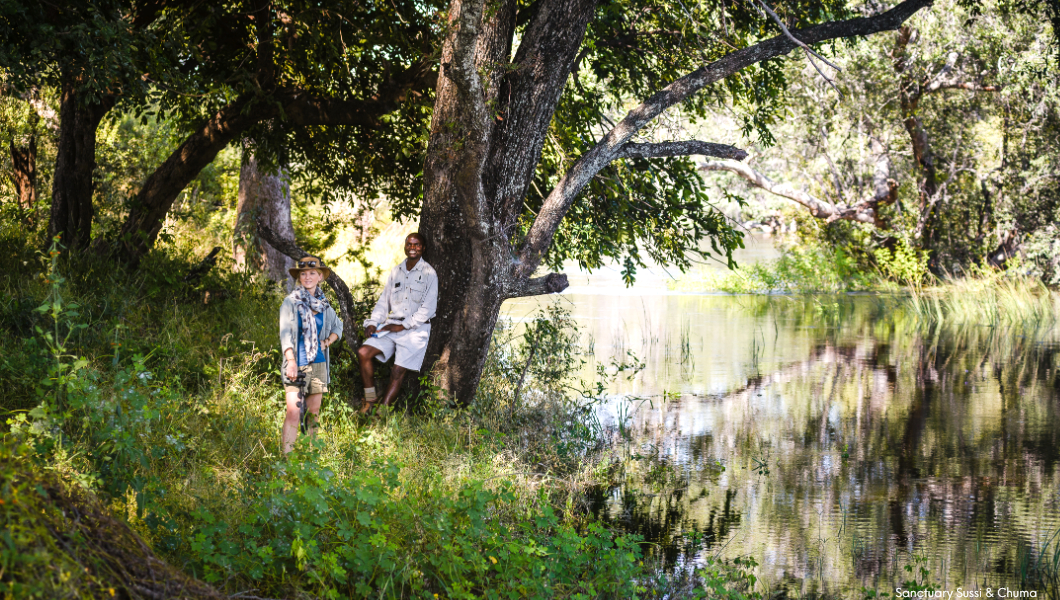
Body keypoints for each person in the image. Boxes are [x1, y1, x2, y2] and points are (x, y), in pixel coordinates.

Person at [357, 233, 437, 413]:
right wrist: (371, 323)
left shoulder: (429, 273)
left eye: (417, 245)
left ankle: (381, 414)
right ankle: (370, 400)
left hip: (415, 329)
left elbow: (429, 308)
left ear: (423, 248)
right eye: (409, 244)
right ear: (405, 246)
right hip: (390, 327)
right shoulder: (396, 271)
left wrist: (404, 325)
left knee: (397, 371)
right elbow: (383, 302)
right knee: (363, 352)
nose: (413, 248)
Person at [278, 256, 343, 453]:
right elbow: (285, 333)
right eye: (303, 273)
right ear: (299, 277)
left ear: (320, 276)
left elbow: (338, 326)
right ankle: (287, 461)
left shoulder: (323, 304)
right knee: (294, 413)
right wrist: (290, 361)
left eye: (312, 273)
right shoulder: (290, 302)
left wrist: (326, 342)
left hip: (319, 364)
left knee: (313, 414)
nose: (307, 277)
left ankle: (310, 458)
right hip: (296, 363)